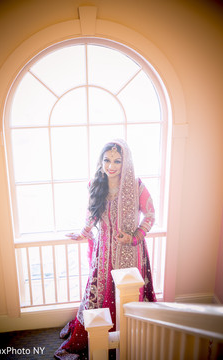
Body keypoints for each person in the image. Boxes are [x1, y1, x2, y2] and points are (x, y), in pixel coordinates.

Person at [54, 139, 156, 360]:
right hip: (104, 254)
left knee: (128, 295)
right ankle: (101, 339)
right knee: (99, 294)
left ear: (125, 162)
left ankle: (128, 341)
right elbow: (91, 214)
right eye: (107, 160)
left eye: (117, 161)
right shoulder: (95, 184)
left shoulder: (136, 185)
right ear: (101, 161)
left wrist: (134, 236)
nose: (111, 165)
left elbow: (150, 214)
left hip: (131, 252)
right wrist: (83, 232)